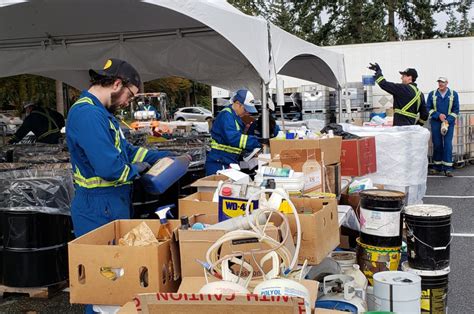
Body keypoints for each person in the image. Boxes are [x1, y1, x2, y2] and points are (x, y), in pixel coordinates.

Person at [66, 58, 173, 239]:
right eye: (130, 95)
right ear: (117, 84)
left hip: (109, 203)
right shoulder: (88, 114)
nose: (127, 102)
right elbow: (109, 168)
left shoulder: (101, 113)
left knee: (117, 263)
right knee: (106, 265)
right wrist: (136, 169)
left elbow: (127, 151)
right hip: (98, 207)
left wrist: (161, 156)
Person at [205, 89, 265, 175]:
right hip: (219, 162)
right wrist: (257, 142)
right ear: (237, 104)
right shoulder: (226, 116)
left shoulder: (233, 116)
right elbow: (234, 139)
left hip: (226, 161)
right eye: (245, 109)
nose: (247, 112)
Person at [427, 77, 460, 177]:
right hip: (436, 122)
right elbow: (428, 107)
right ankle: (437, 167)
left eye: (443, 82)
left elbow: (456, 110)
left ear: (447, 83)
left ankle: (448, 168)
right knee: (437, 144)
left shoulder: (453, 94)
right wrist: (438, 115)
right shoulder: (432, 94)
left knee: (447, 144)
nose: (440, 84)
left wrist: (448, 120)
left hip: (448, 123)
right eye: (439, 82)